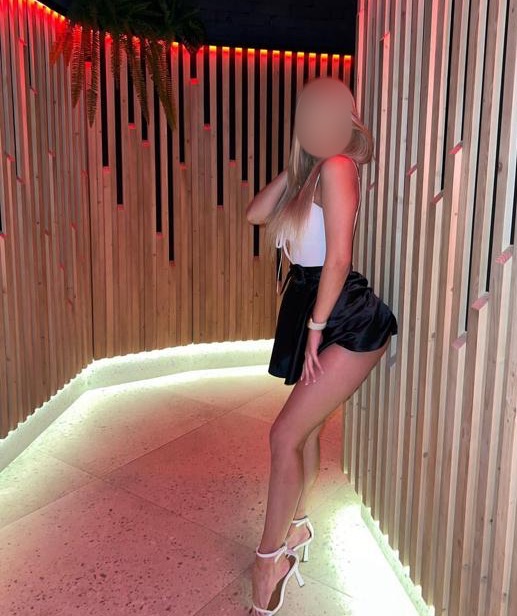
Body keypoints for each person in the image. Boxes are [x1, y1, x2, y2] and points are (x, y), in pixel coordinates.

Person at [245, 77, 398, 615]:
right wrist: (296, 166)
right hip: (310, 303)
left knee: (284, 434)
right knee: (304, 432)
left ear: (346, 120)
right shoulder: (311, 172)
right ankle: (298, 528)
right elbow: (255, 214)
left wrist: (315, 328)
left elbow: (338, 257)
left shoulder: (338, 167)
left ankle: (269, 560)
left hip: (342, 314)